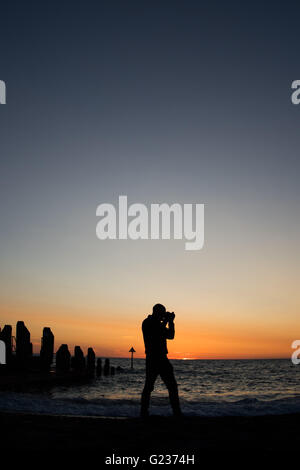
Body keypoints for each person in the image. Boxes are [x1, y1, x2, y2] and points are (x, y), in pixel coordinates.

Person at [140, 303, 182, 417]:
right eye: (162, 313)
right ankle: (144, 412)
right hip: (152, 358)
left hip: (163, 358)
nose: (163, 315)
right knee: (149, 386)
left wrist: (171, 322)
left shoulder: (159, 324)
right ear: (156, 312)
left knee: (172, 386)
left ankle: (176, 412)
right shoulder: (147, 322)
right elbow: (156, 332)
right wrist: (166, 321)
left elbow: (171, 336)